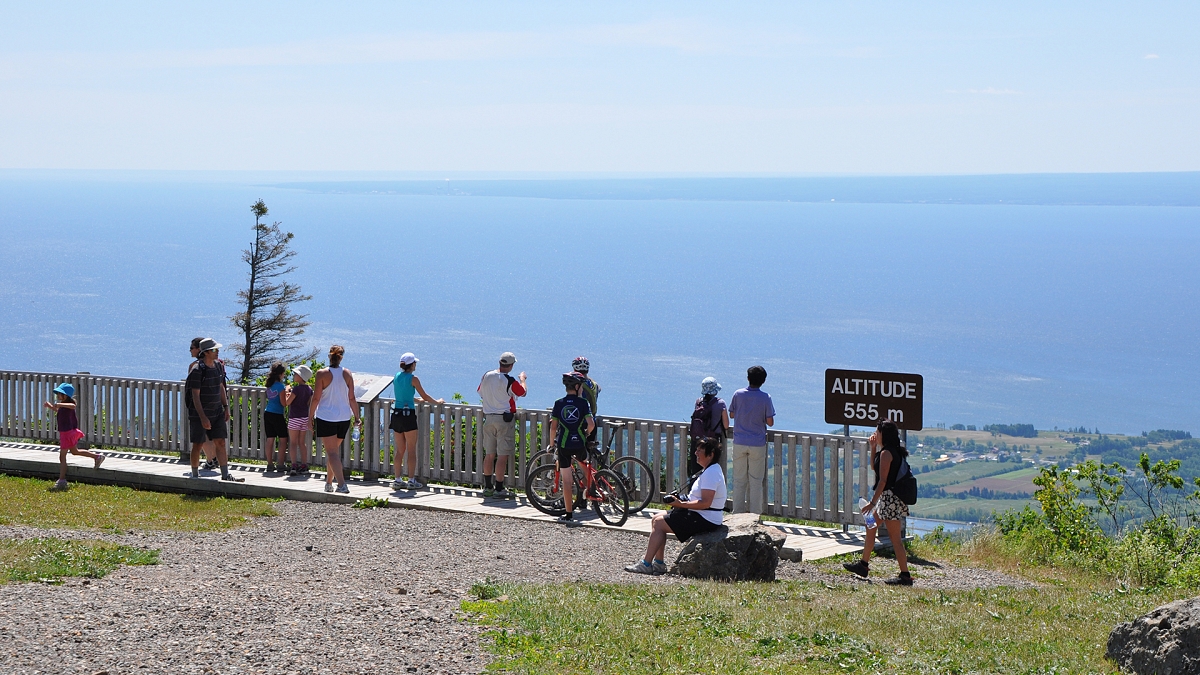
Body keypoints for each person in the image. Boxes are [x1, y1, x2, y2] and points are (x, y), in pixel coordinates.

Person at [624, 437, 726, 575]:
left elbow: (705, 503)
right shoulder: (710, 470)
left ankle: (646, 564)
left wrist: (681, 504)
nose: (696, 453)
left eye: (700, 450)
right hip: (702, 514)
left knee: (659, 523)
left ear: (711, 454)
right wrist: (681, 503)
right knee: (656, 518)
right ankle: (658, 564)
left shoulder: (711, 473)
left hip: (706, 518)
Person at [844, 420, 914, 585]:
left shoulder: (886, 454)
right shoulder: (891, 452)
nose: (876, 434)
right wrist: (873, 448)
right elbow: (875, 468)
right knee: (871, 526)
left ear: (884, 434)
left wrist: (872, 503)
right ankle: (863, 565)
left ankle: (905, 576)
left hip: (888, 500)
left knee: (895, 538)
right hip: (891, 499)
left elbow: (882, 481)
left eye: (878, 431)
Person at [186, 338, 243, 482]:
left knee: (221, 442)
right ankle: (195, 475)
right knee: (198, 444)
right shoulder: (197, 370)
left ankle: (225, 475)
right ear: (205, 352)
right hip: (200, 414)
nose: (217, 352)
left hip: (217, 411)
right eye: (214, 350)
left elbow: (221, 387)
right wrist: (203, 417)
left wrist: (225, 407)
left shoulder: (218, 366)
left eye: (217, 349)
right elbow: (195, 396)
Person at [310, 345, 360, 494]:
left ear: (329, 356)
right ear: (341, 357)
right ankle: (328, 483)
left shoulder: (321, 374)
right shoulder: (347, 374)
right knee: (334, 452)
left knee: (331, 452)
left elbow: (316, 398)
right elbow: (352, 398)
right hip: (344, 417)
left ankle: (342, 485)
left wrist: (309, 417)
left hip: (326, 417)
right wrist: (357, 417)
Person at [476, 352, 527, 498]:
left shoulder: (487, 375)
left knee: (490, 454)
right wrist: (523, 380)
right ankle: (499, 488)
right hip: (504, 420)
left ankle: (487, 487)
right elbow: (522, 392)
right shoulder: (509, 380)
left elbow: (480, 391)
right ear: (511, 366)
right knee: (502, 455)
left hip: (489, 418)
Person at [390, 352, 443, 490]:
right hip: (408, 416)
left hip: (396, 414)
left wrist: (414, 399)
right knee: (411, 449)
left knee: (400, 450)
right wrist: (437, 402)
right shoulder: (414, 379)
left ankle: (397, 479)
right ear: (411, 364)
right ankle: (411, 480)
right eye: (415, 363)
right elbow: (425, 395)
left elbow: (402, 394)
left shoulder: (396, 376)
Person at [549, 372, 595, 523]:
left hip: (564, 444)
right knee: (585, 466)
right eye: (581, 386)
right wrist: (586, 434)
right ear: (577, 386)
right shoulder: (583, 403)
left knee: (567, 481)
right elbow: (591, 424)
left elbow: (553, 427)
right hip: (579, 443)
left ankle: (569, 514)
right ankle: (590, 491)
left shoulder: (559, 403)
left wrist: (551, 444)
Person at [728, 365, 775, 514]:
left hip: (739, 441)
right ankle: (755, 516)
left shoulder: (738, 394)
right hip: (757, 443)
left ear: (748, 378)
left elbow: (732, 415)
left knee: (739, 480)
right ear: (763, 381)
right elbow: (770, 422)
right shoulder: (765, 398)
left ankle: (737, 514)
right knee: (755, 482)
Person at [44, 383, 103, 489]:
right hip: (67, 433)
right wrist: (51, 407)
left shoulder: (69, 405)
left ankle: (62, 480)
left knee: (62, 457)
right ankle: (97, 457)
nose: (57, 395)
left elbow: (73, 406)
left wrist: (60, 404)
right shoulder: (63, 405)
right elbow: (60, 411)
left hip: (67, 433)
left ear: (65, 396)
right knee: (75, 452)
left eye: (59, 393)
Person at [688, 376, 730, 477]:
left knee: (695, 472)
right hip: (712, 442)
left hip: (697, 442)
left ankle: (694, 491)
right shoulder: (720, 403)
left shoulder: (698, 402)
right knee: (711, 471)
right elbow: (726, 425)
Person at [184, 337, 215, 470]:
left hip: (199, 407)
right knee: (211, 435)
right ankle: (213, 459)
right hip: (214, 404)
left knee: (201, 437)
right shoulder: (215, 364)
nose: (190, 351)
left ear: (199, 349)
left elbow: (193, 390)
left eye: (192, 348)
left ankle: (211, 459)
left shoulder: (195, 367)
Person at [282, 364, 313, 477]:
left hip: (294, 417)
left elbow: (287, 403)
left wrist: (287, 391)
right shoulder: (309, 389)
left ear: (301, 377)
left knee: (293, 443)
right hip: (304, 418)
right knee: (302, 443)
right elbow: (308, 403)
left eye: (296, 374)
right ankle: (304, 465)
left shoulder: (296, 389)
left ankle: (294, 465)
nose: (294, 375)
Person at [263, 361, 290, 473]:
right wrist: (288, 392)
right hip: (277, 415)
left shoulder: (269, 384)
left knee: (270, 439)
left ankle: (269, 464)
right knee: (283, 439)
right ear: (280, 374)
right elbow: (284, 403)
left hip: (268, 413)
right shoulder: (280, 387)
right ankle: (280, 464)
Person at [571, 356, 601, 446]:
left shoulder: (578, 386)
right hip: (592, 422)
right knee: (586, 453)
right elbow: (599, 389)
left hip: (581, 423)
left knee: (572, 452)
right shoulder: (594, 384)